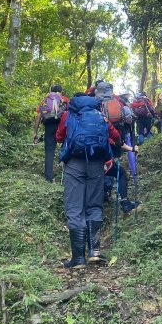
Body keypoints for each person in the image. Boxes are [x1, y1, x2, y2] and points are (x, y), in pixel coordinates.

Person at [56, 94, 139, 269]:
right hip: (97, 164)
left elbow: (59, 136)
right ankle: (94, 252)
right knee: (94, 205)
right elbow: (114, 135)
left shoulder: (69, 114)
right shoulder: (100, 115)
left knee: (75, 207)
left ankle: (78, 258)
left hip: (74, 164)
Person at [33, 84, 68, 183]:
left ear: (51, 91)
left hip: (49, 126)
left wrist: (35, 132)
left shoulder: (45, 100)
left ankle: (49, 177)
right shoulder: (64, 99)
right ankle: (66, 175)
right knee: (67, 147)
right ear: (61, 91)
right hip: (63, 126)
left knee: (49, 151)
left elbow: (38, 116)